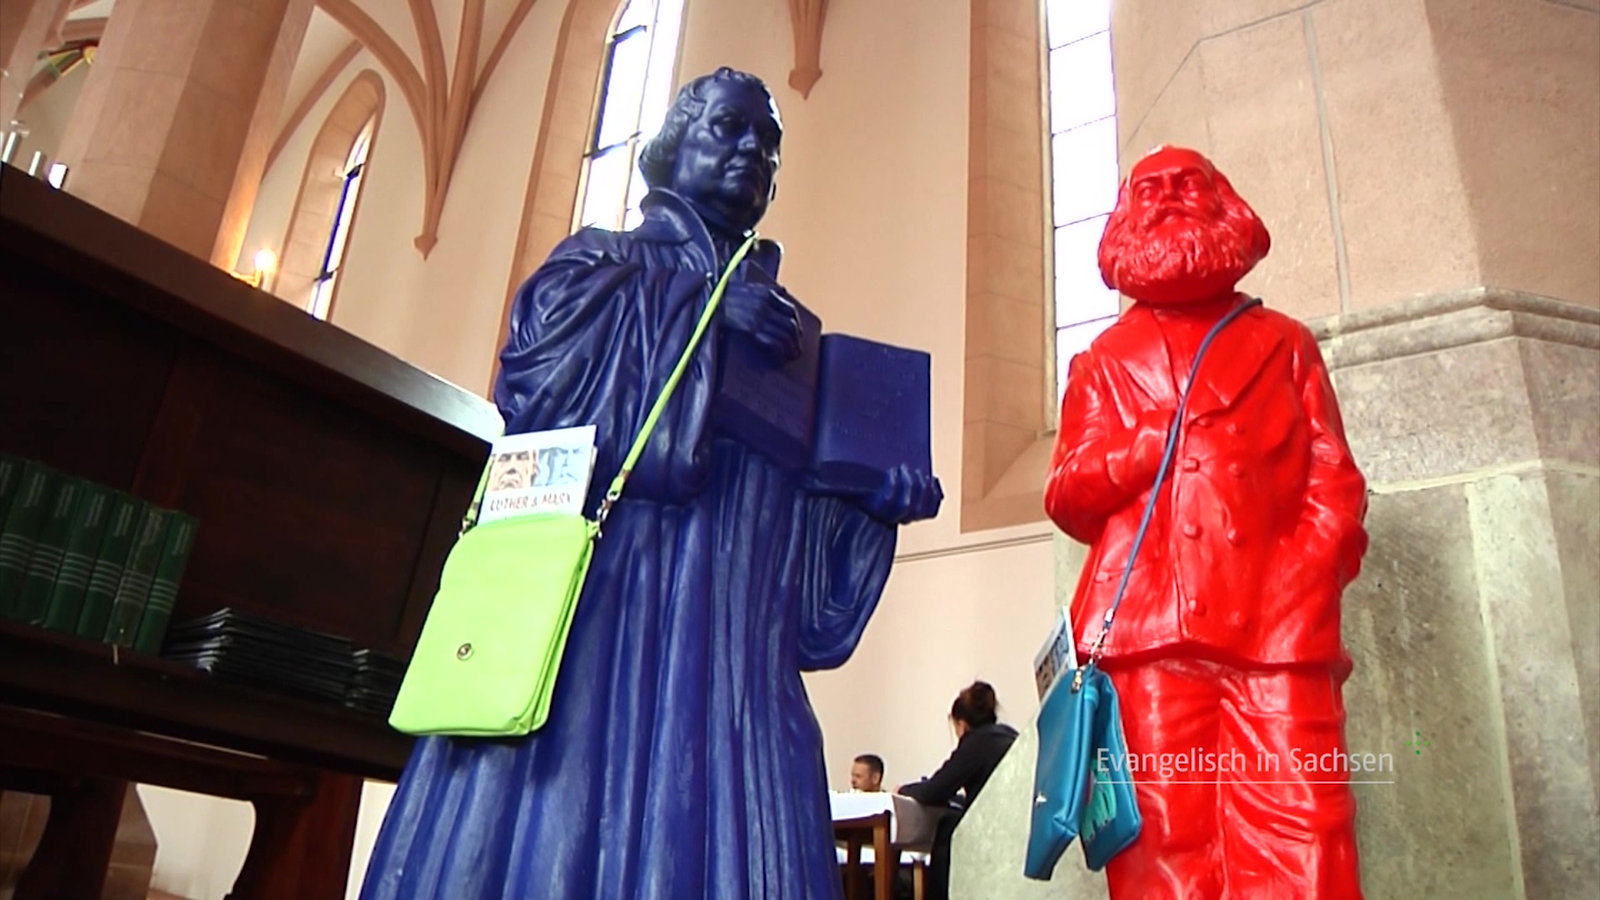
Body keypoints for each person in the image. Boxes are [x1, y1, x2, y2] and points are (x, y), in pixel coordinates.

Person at [358, 68, 941, 900]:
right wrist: (700, 315)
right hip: (610, 607)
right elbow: (537, 385)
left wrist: (868, 509)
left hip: (734, 641)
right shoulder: (601, 260)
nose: (752, 151)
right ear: (672, 144)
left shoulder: (789, 335)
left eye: (769, 144)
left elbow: (797, 560)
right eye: (729, 128)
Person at [1044, 145, 1368, 899]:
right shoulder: (1103, 360)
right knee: (1163, 849)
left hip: (1277, 630)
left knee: (1307, 838)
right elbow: (1066, 494)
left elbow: (1334, 479)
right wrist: (1134, 452)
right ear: (1125, 218)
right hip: (1147, 634)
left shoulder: (1285, 344)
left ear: (1225, 204)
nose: (1168, 199)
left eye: (1188, 185)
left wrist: (1309, 572)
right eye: (1149, 190)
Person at [898, 681, 1018, 900]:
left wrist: (903, 789)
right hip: (1015, 825)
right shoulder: (1009, 736)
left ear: (961, 724)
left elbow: (935, 790)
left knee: (948, 825)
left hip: (992, 831)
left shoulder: (975, 743)